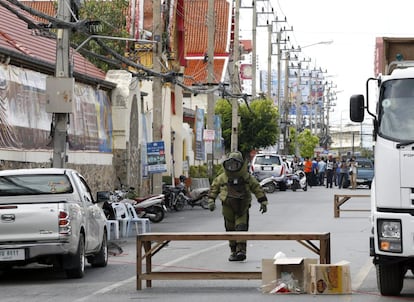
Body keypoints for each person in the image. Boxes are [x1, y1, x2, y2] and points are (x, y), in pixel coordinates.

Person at [208, 151, 268, 261]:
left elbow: (256, 188)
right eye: (230, 164)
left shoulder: (246, 177)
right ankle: (233, 251)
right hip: (227, 207)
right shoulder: (222, 177)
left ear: (241, 164)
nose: (232, 167)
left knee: (241, 228)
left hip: (242, 206)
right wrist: (211, 200)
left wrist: (263, 201)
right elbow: (214, 188)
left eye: (236, 164)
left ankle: (241, 251)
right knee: (230, 230)